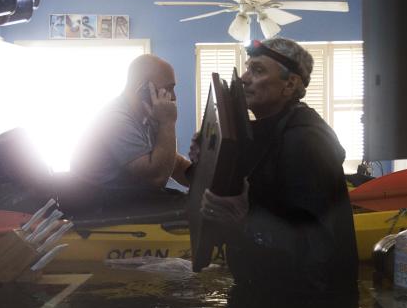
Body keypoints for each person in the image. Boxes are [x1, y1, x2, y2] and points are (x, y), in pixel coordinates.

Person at [199, 37, 358, 294]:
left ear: (290, 84)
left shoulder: (305, 141)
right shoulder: (266, 134)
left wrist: (243, 223)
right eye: (248, 68)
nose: (244, 78)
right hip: (263, 295)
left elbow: (316, 246)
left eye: (258, 70)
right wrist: (207, 161)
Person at [71, 54, 191, 191]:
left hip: (122, 198)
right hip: (101, 206)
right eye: (168, 88)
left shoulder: (146, 116)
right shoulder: (116, 119)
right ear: (144, 90)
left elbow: (171, 162)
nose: (173, 97)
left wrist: (204, 181)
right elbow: (156, 179)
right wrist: (168, 123)